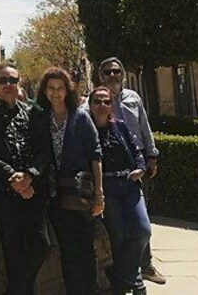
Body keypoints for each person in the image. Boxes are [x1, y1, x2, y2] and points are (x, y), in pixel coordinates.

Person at [0, 60, 52, 295]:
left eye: (12, 80)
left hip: (32, 190)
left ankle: (17, 290)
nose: (8, 85)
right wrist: (14, 180)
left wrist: (29, 176)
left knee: (41, 245)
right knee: (12, 248)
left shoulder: (32, 112)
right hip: (3, 194)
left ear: (19, 83)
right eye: (3, 80)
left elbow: (44, 150)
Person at [98, 57, 164, 285]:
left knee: (142, 223)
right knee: (119, 228)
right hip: (112, 173)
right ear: (101, 76)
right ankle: (131, 275)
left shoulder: (133, 98)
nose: (113, 75)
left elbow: (144, 127)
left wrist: (151, 156)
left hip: (138, 167)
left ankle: (144, 266)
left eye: (117, 71)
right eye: (108, 72)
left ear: (123, 74)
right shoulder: (99, 101)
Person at [37, 67, 103, 295]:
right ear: (44, 91)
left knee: (86, 249)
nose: (56, 93)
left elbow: (96, 156)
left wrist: (99, 194)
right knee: (68, 251)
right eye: (51, 88)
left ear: (67, 90)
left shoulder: (80, 117)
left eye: (60, 88)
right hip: (56, 196)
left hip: (80, 193)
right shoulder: (41, 119)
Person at [88, 87, 150, 295]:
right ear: (90, 105)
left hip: (129, 183)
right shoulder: (87, 129)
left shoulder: (121, 127)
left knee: (143, 230)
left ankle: (120, 277)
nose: (102, 106)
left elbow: (136, 151)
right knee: (119, 237)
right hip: (107, 187)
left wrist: (141, 167)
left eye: (106, 102)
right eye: (98, 101)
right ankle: (137, 285)